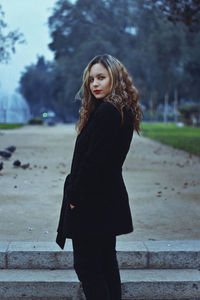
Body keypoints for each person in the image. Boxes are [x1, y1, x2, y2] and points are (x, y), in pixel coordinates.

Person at [56, 54, 142, 300]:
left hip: (91, 202)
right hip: (106, 199)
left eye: (101, 78)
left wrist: (74, 197)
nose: (95, 84)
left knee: (88, 268)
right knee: (105, 265)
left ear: (115, 78)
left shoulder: (108, 113)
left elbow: (94, 162)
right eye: (92, 79)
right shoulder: (119, 109)